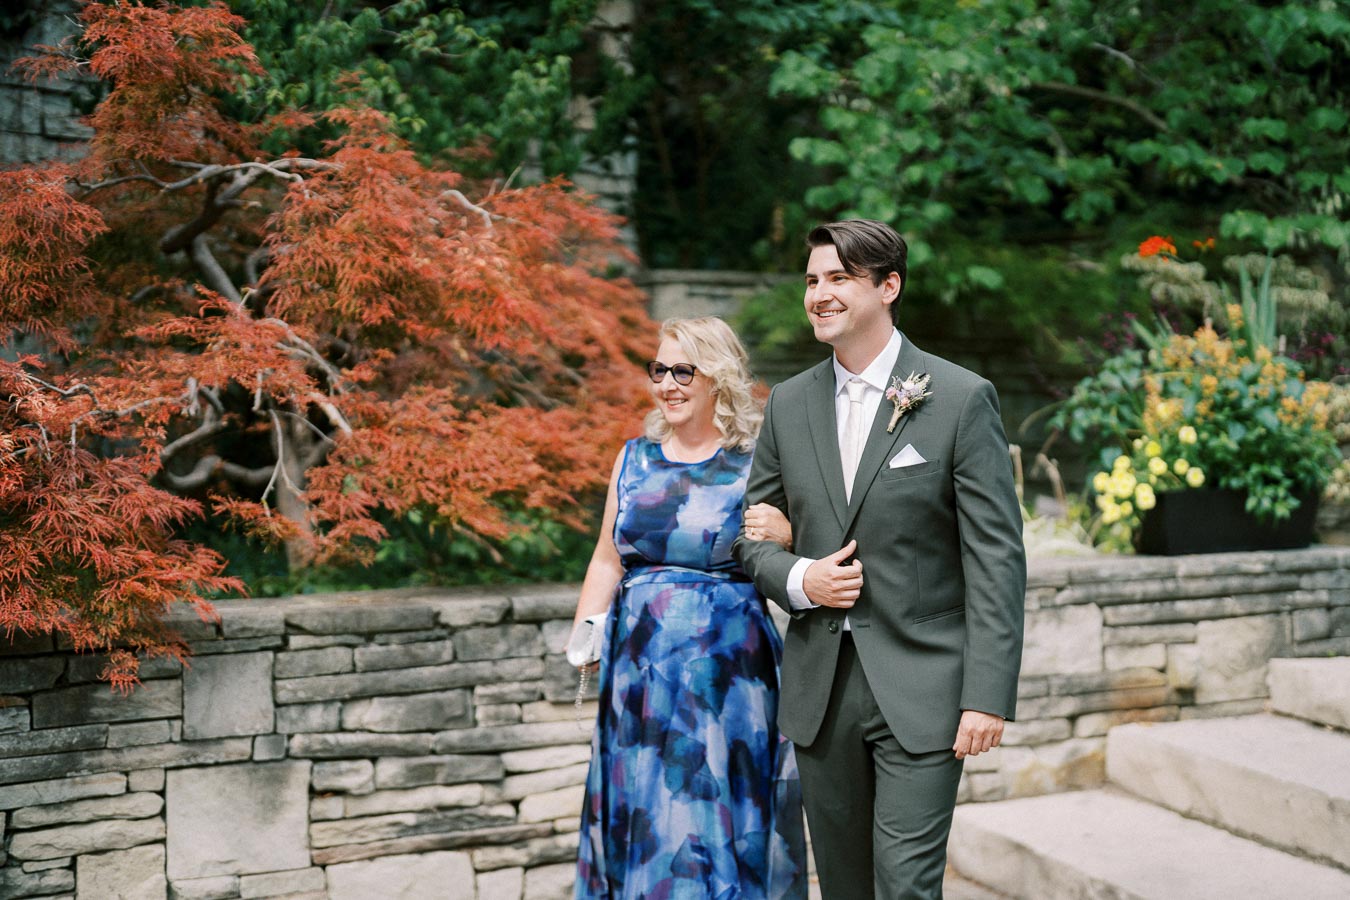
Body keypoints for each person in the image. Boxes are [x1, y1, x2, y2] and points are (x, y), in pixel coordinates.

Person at [733, 220, 1026, 899]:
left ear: (887, 286)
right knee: (842, 887)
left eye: (839, 278)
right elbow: (752, 541)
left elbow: (996, 560)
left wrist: (987, 695)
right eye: (812, 280)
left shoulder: (958, 398)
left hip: (925, 689)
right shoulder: (786, 404)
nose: (819, 294)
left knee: (904, 887)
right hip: (821, 693)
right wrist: (801, 577)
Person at [571, 316, 808, 899]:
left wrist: (788, 535)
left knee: (718, 811)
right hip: (639, 671)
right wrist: (585, 635)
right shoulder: (633, 460)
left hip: (729, 675)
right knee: (648, 805)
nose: (668, 384)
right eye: (660, 370)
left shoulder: (757, 462)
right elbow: (607, 557)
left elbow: (797, 552)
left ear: (718, 379)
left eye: (684, 370)